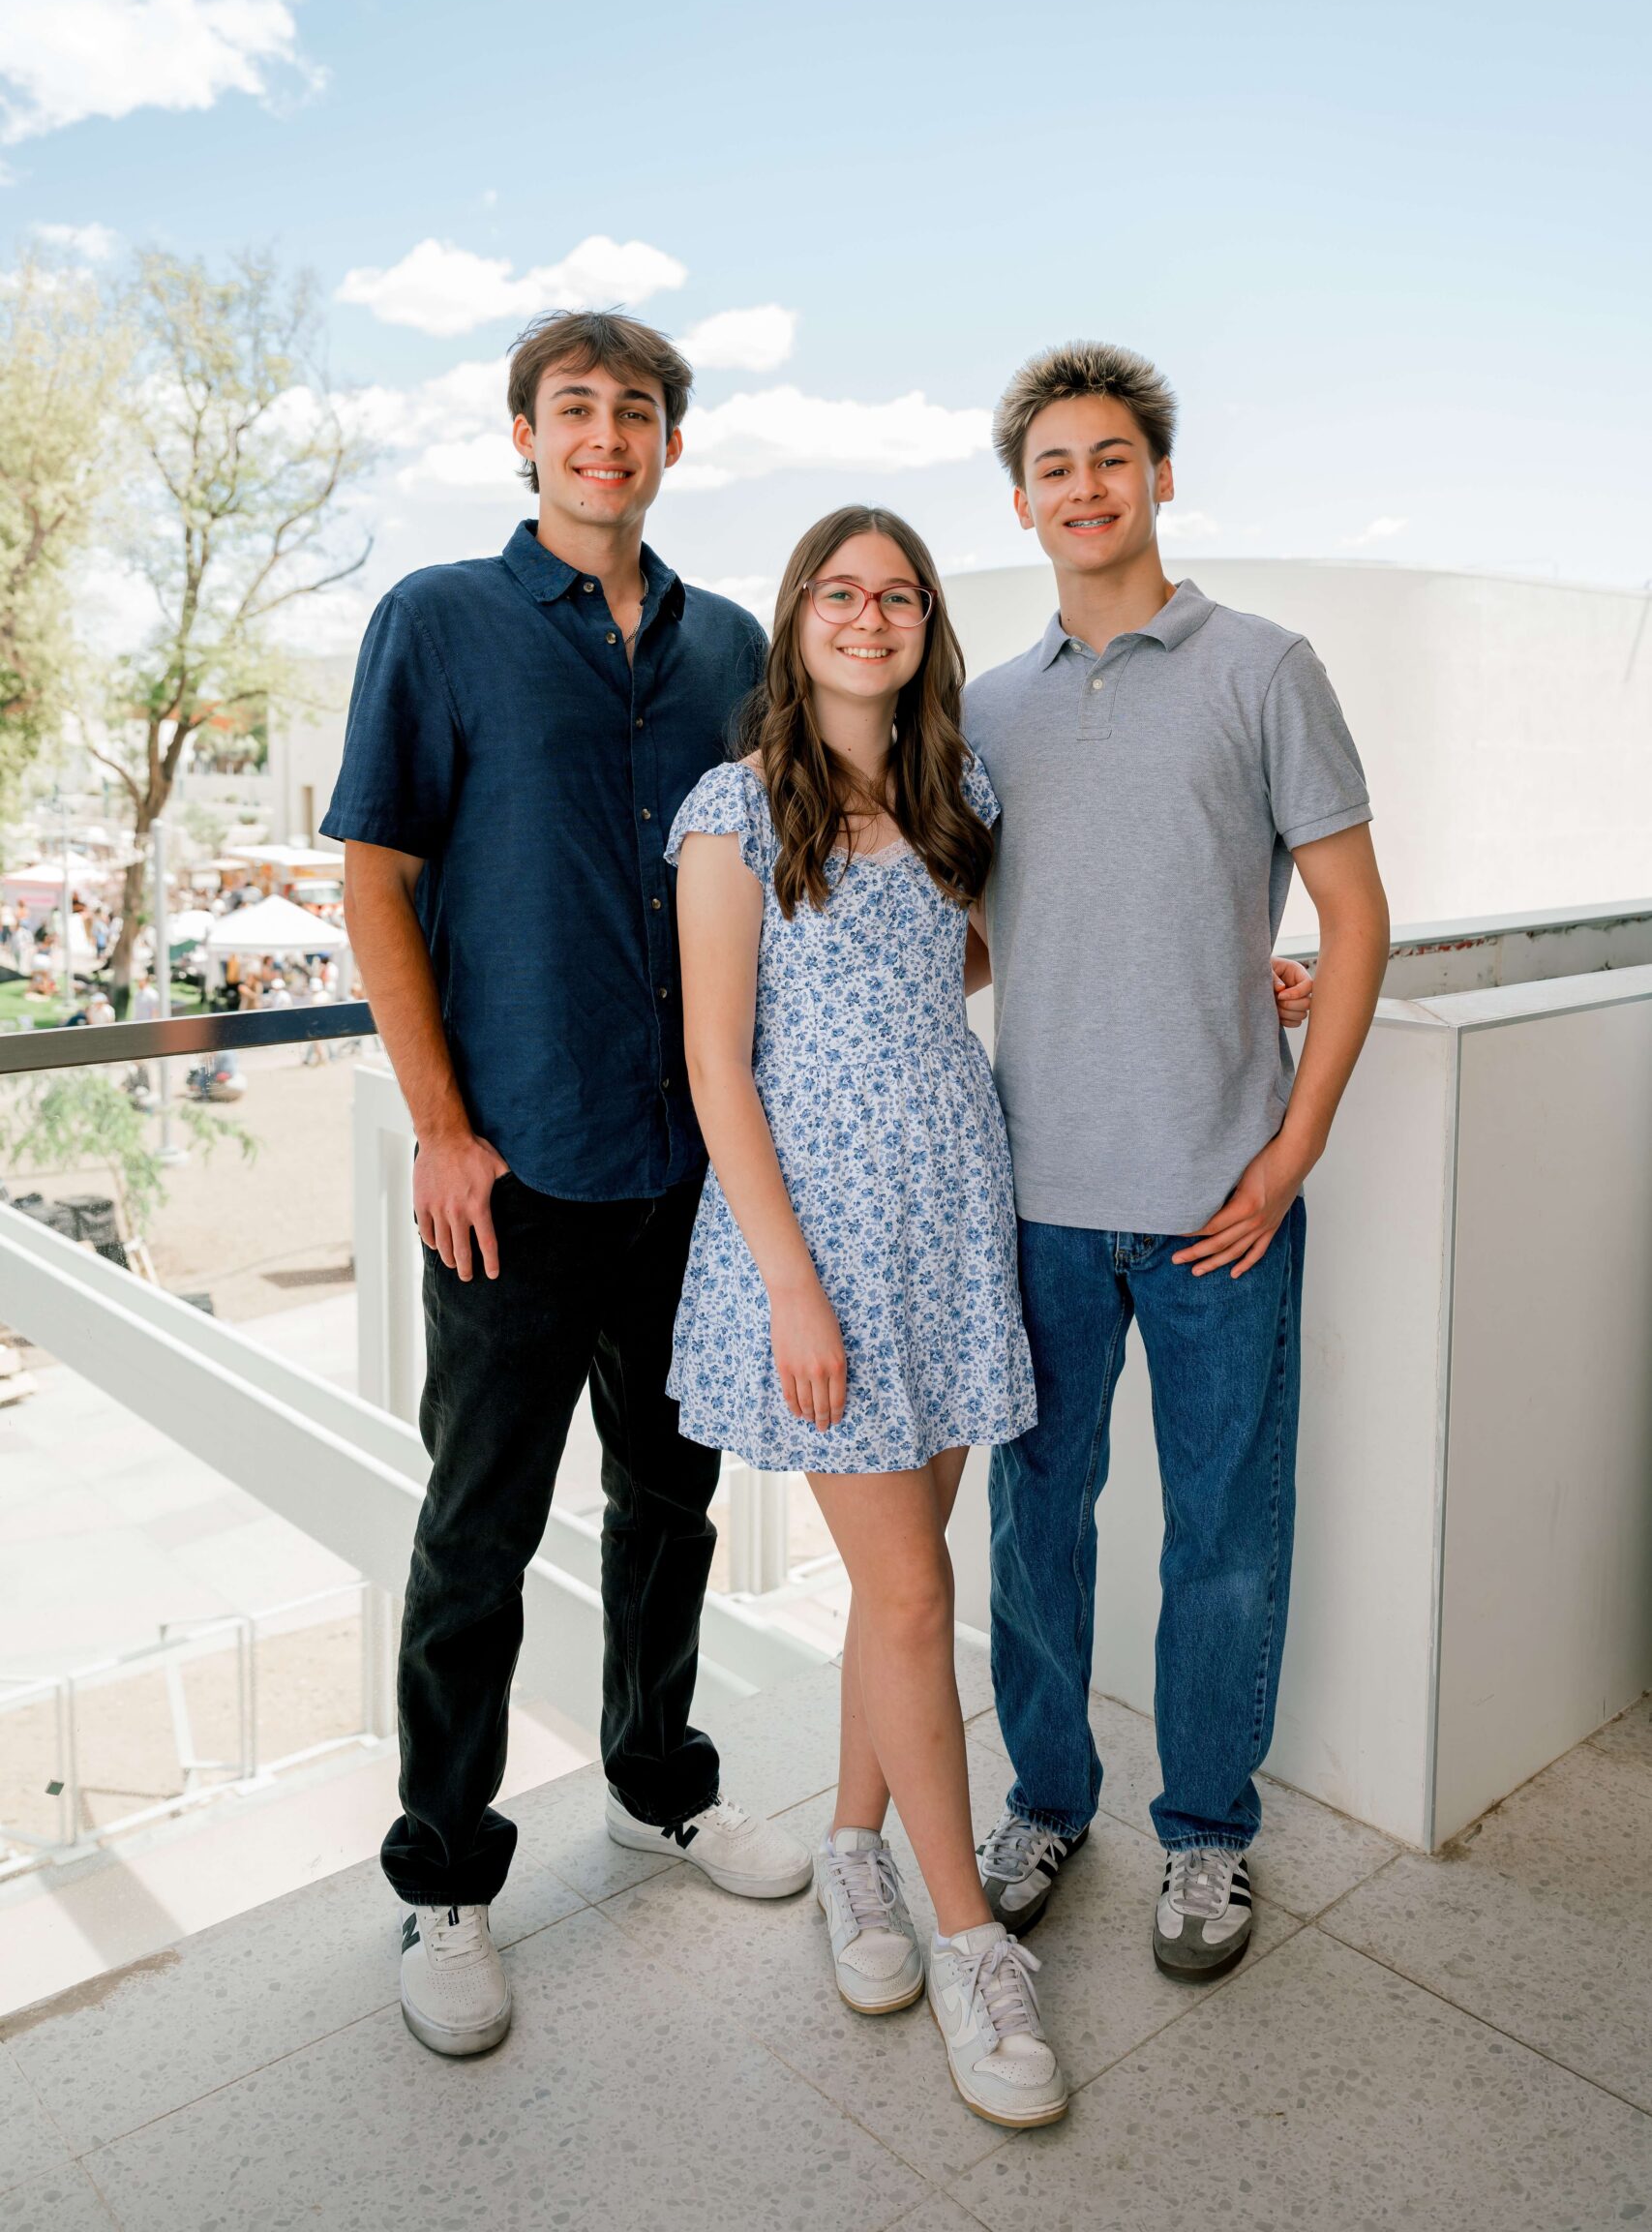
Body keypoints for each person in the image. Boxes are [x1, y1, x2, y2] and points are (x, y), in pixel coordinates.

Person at [670, 505, 1313, 2130]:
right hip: (812, 1246)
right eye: (839, 590)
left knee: (895, 1599)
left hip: (954, 1223)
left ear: (927, 625)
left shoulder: (959, 798)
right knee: (911, 1587)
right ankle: (969, 1942)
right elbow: (714, 1064)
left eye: (897, 594)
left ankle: (848, 1859)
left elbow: (1009, 953)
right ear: (795, 618)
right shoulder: (734, 812)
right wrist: (794, 1287)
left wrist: (1253, 970)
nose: (869, 614)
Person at [323, 307, 810, 2064]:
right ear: (525, 437)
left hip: (688, 1170)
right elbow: (376, 881)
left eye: (639, 411)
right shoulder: (438, 622)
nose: (609, 434)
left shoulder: (734, 646)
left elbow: (819, 863)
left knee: (672, 1514)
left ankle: (657, 1784)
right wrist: (442, 1125)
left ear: (673, 443)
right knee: (478, 1534)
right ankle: (443, 1877)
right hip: (511, 1175)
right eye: (575, 409)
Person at [966, 341, 1390, 1982]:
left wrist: (1292, 1152)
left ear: (1156, 478)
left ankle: (1208, 1838)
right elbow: (999, 939)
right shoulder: (986, 708)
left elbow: (1351, 921)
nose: (1085, 485)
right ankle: (1047, 1801)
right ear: (1023, 502)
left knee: (1224, 1537)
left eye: (1111, 457)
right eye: (1055, 465)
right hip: (1035, 1205)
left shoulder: (1265, 667)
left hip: (1228, 1199)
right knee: (1034, 1527)